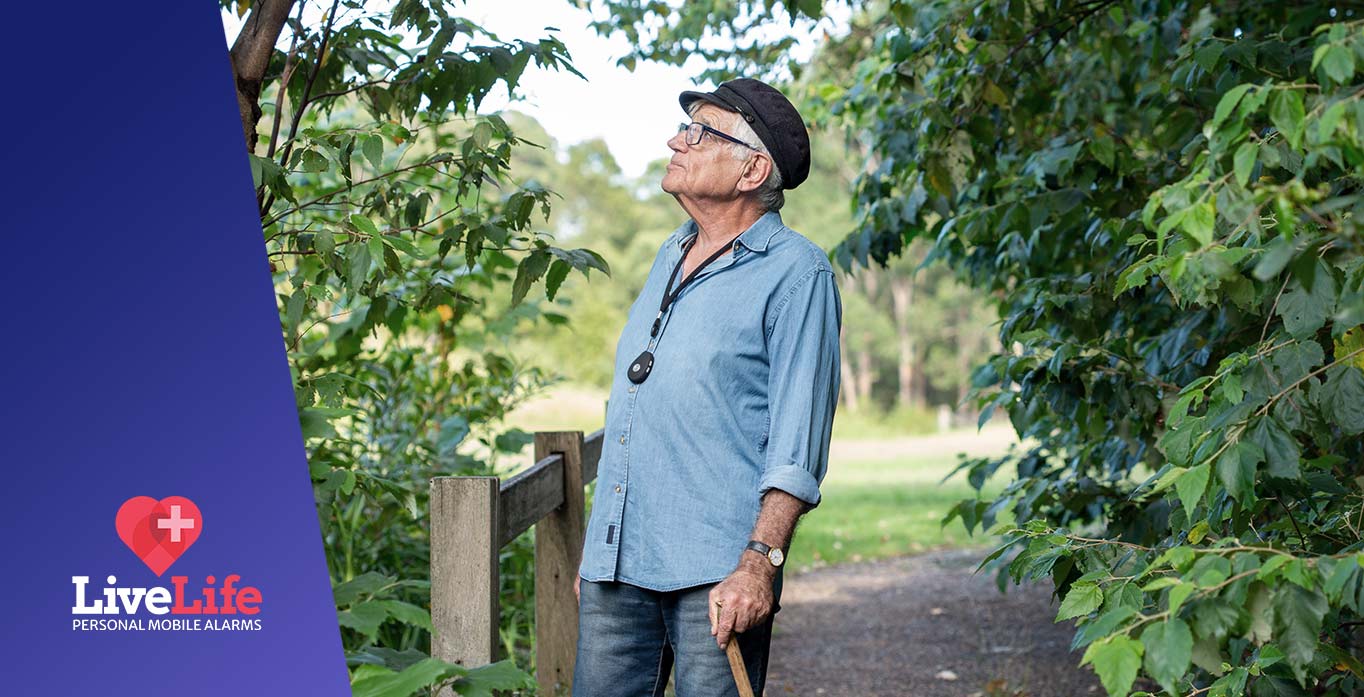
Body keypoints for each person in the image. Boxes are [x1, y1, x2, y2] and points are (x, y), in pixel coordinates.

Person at [572, 78, 841, 697]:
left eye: (699, 133)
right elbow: (636, 409)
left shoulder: (799, 274)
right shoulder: (670, 252)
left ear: (752, 170)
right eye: (683, 129)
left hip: (719, 578)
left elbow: (798, 447)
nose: (676, 141)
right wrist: (597, 552)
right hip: (618, 568)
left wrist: (759, 565)